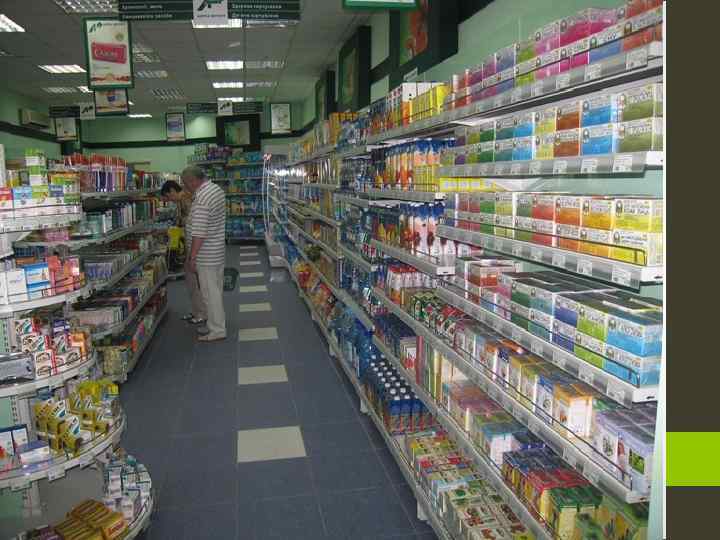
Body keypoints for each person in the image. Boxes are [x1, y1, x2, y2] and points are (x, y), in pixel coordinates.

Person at [181, 166, 227, 342]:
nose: (185, 188)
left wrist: (192, 257)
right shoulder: (216, 189)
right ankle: (214, 324)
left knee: (209, 294)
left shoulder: (202, 198)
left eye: (186, 184)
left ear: (193, 181)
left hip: (206, 255)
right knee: (215, 291)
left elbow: (199, 232)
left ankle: (217, 330)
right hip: (216, 250)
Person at [160, 180, 205, 325]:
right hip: (188, 245)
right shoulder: (181, 201)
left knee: (194, 281)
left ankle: (201, 313)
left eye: (168, 196)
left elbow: (194, 223)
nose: (169, 200)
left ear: (173, 190)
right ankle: (196, 311)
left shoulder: (187, 199)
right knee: (190, 281)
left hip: (194, 246)